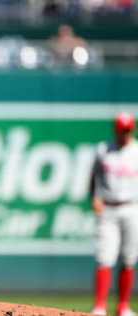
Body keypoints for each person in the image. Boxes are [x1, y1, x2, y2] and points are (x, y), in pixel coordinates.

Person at [90, 112, 138, 316]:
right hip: (108, 208)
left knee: (129, 257)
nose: (124, 134)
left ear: (132, 130)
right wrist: (94, 196)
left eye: (128, 130)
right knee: (105, 256)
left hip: (131, 207)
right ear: (116, 129)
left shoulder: (136, 152)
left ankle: (123, 305)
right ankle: (100, 305)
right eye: (122, 130)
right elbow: (93, 177)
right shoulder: (104, 150)